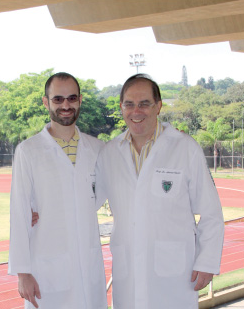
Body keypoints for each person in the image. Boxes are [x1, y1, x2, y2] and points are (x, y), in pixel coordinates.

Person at [94, 74, 224, 308]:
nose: (136, 111)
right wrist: (41, 210)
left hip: (175, 272)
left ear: (158, 106)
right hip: (128, 271)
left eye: (144, 103)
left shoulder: (185, 148)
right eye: (129, 104)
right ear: (122, 107)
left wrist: (207, 261)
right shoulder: (110, 153)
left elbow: (211, 211)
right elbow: (86, 201)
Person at [8, 72, 107, 308]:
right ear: (46, 102)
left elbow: (104, 195)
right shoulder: (28, 150)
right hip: (46, 267)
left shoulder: (98, 149)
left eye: (72, 98)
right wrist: (23, 273)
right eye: (58, 99)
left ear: (80, 100)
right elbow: (19, 212)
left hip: (88, 261)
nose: (65, 105)